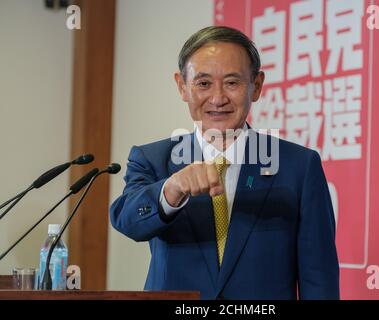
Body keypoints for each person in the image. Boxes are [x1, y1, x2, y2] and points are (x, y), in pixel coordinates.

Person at [110, 26, 339, 300]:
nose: (218, 98)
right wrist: (171, 190)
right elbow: (127, 221)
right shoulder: (153, 159)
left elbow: (319, 278)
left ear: (256, 86)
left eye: (232, 82)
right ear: (182, 86)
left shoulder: (299, 167)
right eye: (203, 83)